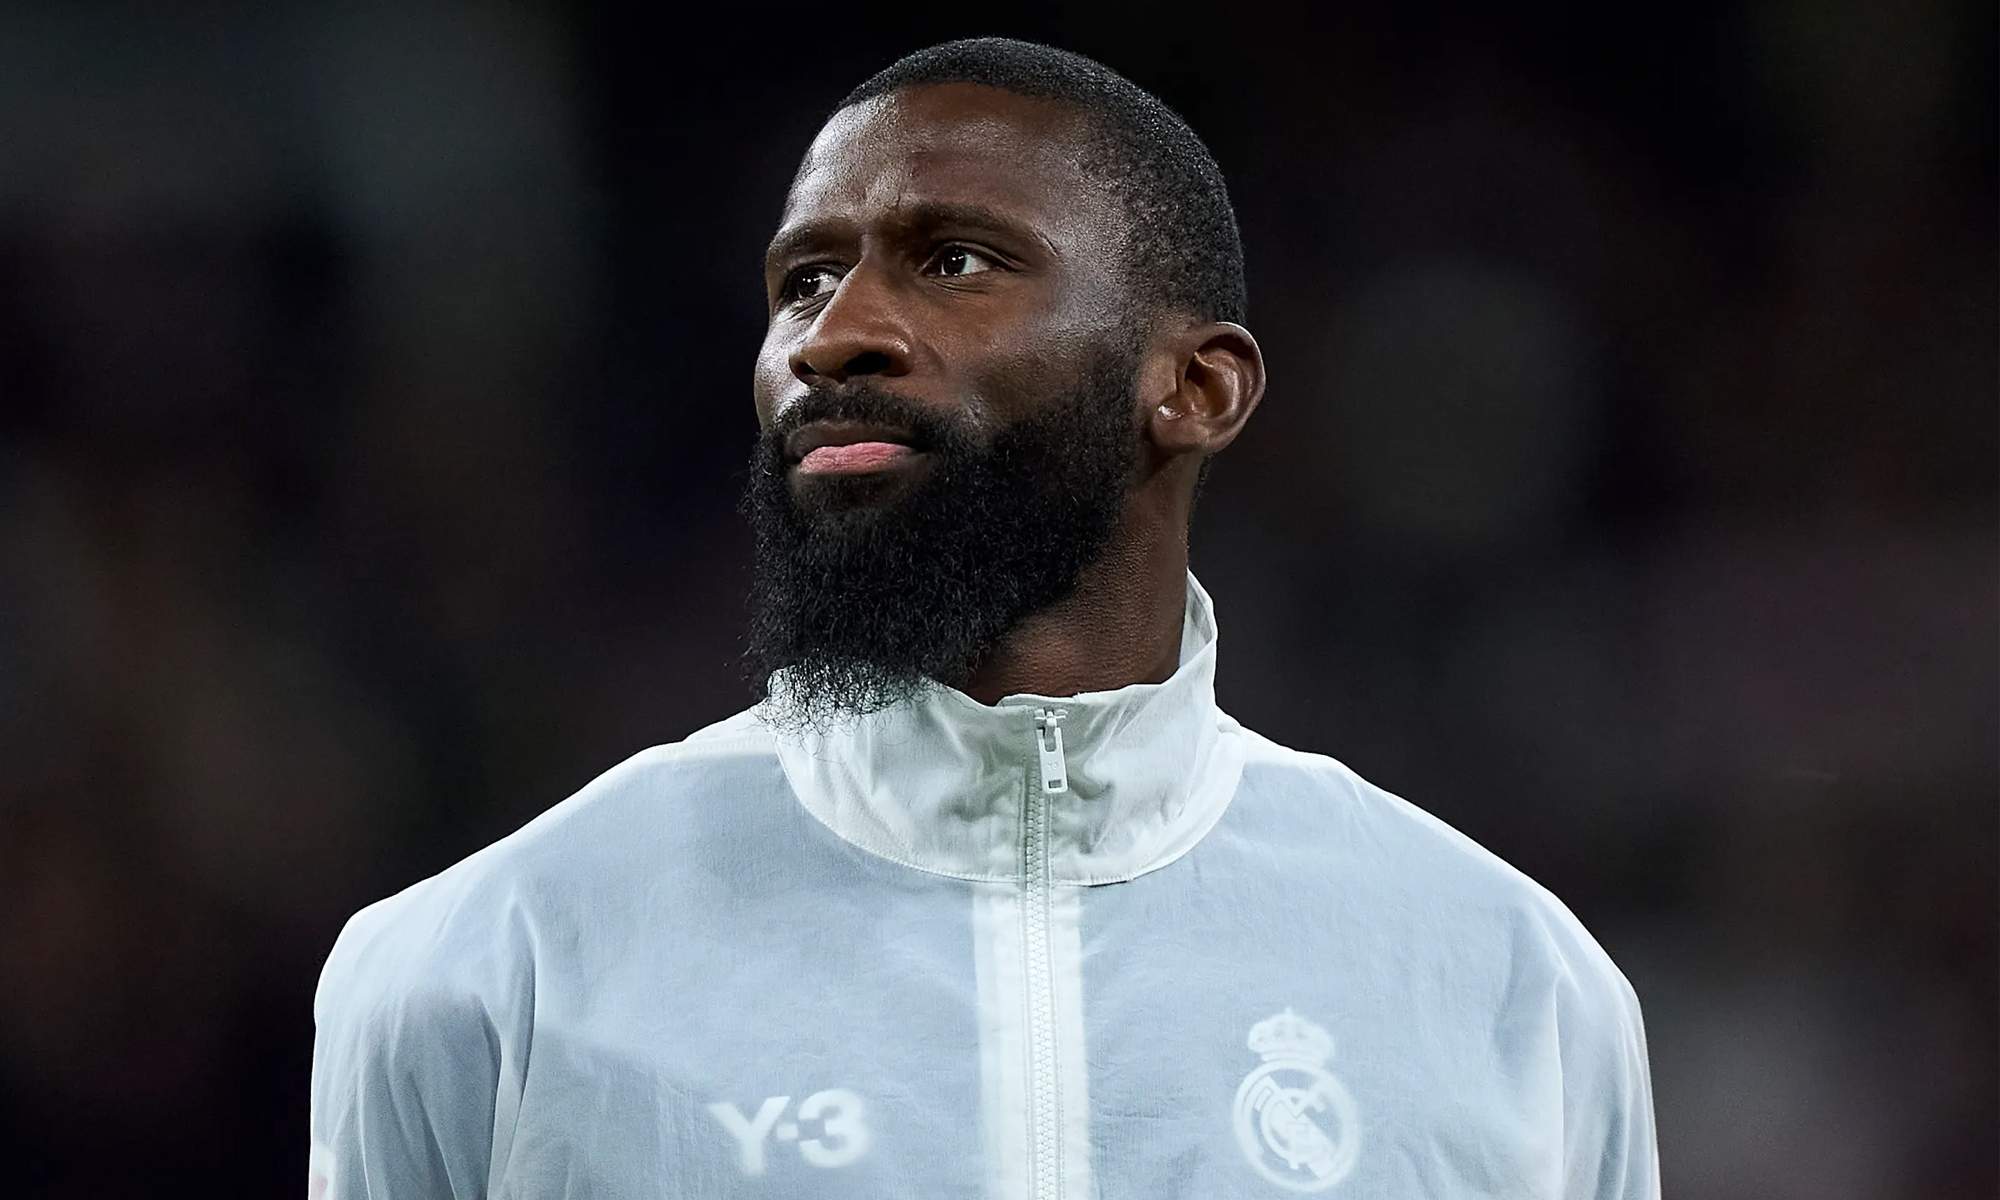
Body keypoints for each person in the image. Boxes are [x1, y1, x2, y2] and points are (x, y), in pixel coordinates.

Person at [309, 37, 1660, 1199]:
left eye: (953, 261)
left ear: (1196, 387)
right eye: (801, 282)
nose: (836, 334)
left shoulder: (1509, 984)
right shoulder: (485, 963)